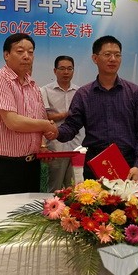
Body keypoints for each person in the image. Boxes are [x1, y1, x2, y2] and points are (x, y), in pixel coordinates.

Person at [57, 35, 138, 181]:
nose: (113, 59)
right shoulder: (83, 94)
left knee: (129, 197)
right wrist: (55, 131)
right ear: (95, 58)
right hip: (95, 164)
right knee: (94, 197)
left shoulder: (135, 93)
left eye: (117, 55)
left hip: (129, 165)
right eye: (107, 54)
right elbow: (71, 127)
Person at [0, 33, 58, 195]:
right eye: (20, 51)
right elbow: (13, 122)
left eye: (30, 52)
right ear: (6, 55)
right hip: (4, 166)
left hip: (31, 164)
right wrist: (46, 125)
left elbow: (39, 119)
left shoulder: (33, 85)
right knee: (3, 211)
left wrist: (42, 145)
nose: (26, 56)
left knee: (29, 211)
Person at [41, 55, 85, 191]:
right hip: (56, 147)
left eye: (69, 69)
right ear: (55, 71)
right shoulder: (45, 90)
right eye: (62, 68)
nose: (66, 72)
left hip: (77, 147)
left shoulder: (80, 92)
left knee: (76, 190)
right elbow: (45, 117)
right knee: (55, 189)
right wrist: (67, 114)